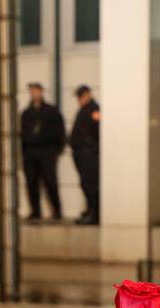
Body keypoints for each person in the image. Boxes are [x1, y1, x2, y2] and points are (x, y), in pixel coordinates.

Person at [20, 82, 66, 221]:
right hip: (30, 153)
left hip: (47, 152)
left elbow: (60, 132)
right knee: (31, 182)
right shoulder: (26, 113)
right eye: (32, 91)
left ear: (41, 92)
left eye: (36, 91)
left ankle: (57, 211)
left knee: (50, 182)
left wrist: (57, 150)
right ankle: (35, 211)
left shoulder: (51, 111)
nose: (34, 94)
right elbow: (22, 135)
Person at [70, 85, 100, 225]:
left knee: (91, 185)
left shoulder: (94, 110)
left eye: (81, 96)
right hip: (82, 154)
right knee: (86, 184)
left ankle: (95, 213)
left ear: (88, 94)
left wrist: (89, 146)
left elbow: (96, 131)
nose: (79, 100)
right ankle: (90, 210)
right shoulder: (84, 110)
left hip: (90, 155)